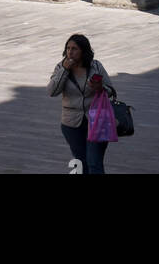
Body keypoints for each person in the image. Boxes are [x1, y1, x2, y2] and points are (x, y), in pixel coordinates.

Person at [48, 33, 116, 175]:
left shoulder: (95, 66)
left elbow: (111, 90)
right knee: (80, 162)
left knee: (94, 162)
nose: (70, 52)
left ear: (83, 51)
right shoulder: (61, 67)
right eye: (68, 48)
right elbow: (52, 91)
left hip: (97, 120)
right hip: (72, 123)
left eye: (74, 49)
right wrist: (65, 70)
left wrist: (100, 88)